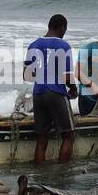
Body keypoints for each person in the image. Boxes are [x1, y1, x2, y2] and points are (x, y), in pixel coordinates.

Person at [23, 14, 77, 163]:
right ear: (62, 27)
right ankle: (62, 174)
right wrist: (73, 89)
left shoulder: (33, 44)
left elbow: (27, 75)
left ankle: (40, 173)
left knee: (41, 139)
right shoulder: (63, 45)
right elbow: (67, 77)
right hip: (56, 93)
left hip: (38, 93)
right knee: (68, 136)